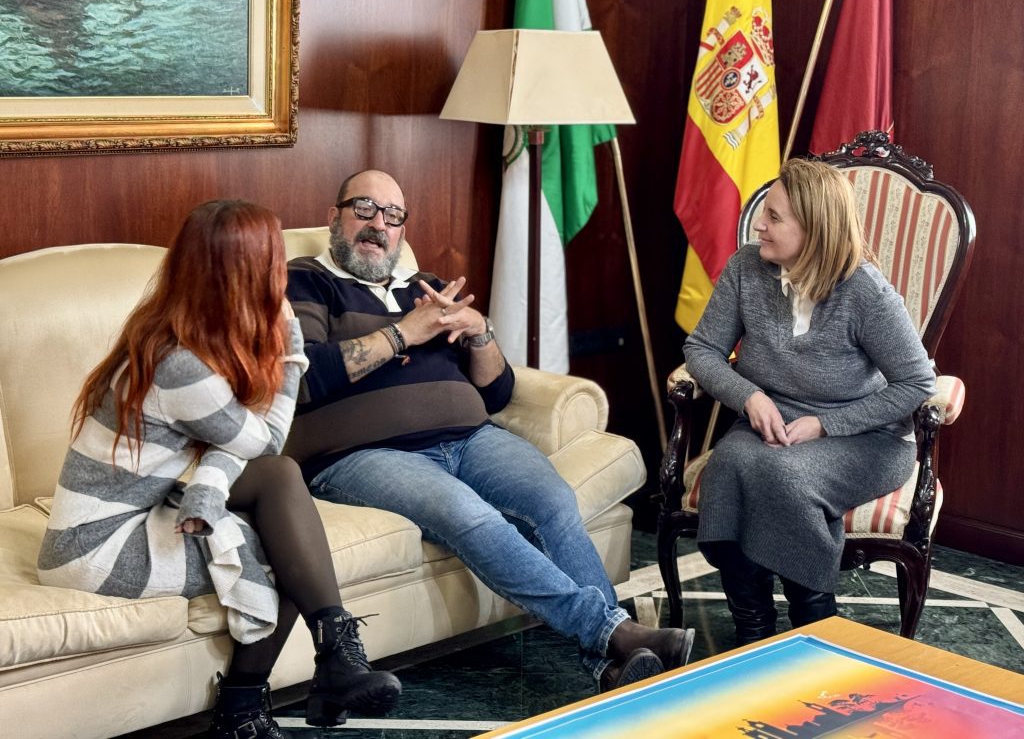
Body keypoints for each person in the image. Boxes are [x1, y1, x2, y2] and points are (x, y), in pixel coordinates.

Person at [285, 169, 695, 692]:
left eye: (392, 215)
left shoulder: (425, 286)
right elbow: (305, 377)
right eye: (364, 208)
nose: (378, 225)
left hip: (471, 438)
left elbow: (497, 392)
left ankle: (612, 663)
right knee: (470, 514)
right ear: (334, 216)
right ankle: (611, 631)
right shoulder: (305, 280)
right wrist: (404, 333)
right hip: (366, 454)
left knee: (551, 499)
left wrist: (480, 333)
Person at [37, 200, 401, 737]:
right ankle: (246, 712)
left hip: (131, 512)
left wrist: (209, 484)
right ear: (246, 272)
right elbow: (266, 438)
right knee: (288, 551)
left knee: (280, 481)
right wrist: (291, 343)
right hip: (95, 547)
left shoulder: (183, 331)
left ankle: (332, 662)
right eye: (274, 259)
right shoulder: (179, 366)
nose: (282, 271)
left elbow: (246, 448)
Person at [684, 158, 936, 645]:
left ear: (815, 229)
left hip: (865, 438)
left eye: (774, 217)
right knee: (728, 466)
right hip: (770, 423)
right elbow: (702, 350)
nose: (758, 224)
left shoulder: (866, 292)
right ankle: (753, 630)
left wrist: (825, 425)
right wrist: (749, 396)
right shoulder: (745, 269)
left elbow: (916, 384)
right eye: (764, 212)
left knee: (784, 477)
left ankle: (816, 628)